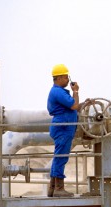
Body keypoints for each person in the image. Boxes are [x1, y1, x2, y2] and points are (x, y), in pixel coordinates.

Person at [47, 64, 86, 197]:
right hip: (63, 128)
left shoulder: (58, 92)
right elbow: (74, 105)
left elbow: (72, 107)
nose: (68, 80)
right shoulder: (58, 92)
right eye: (66, 77)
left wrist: (85, 104)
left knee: (59, 156)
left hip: (63, 127)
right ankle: (59, 189)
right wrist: (76, 92)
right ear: (59, 78)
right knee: (61, 157)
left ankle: (52, 188)